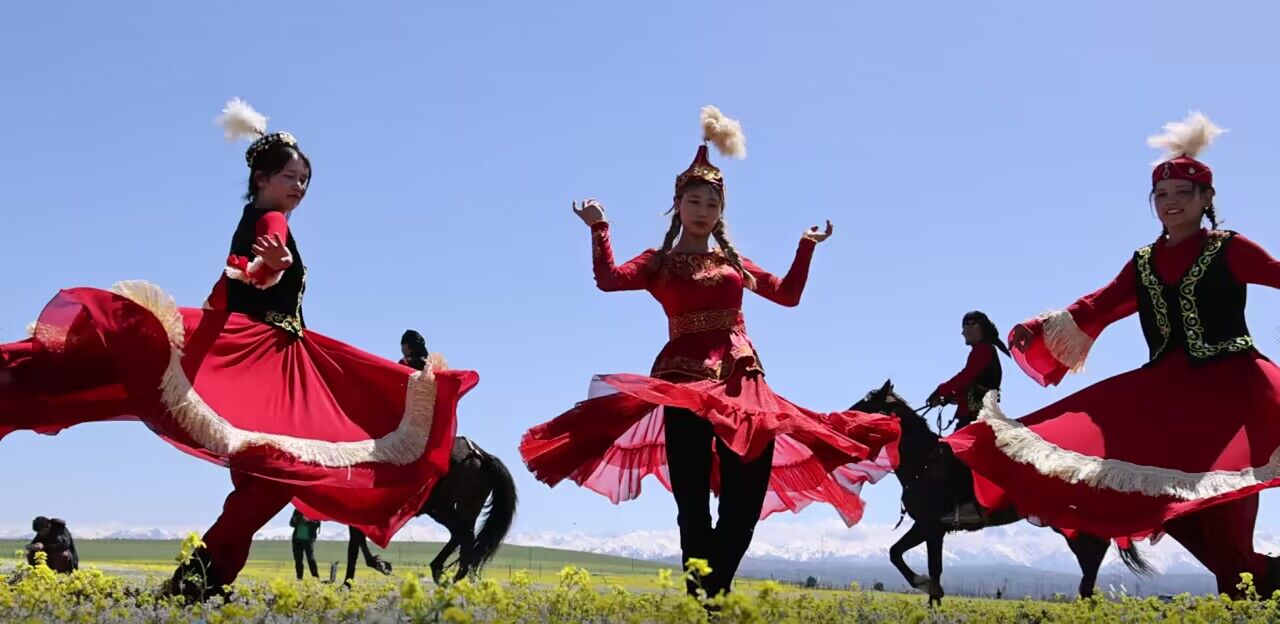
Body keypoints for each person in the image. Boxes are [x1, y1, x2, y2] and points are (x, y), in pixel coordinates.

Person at [0, 99, 478, 599]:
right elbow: (257, 268)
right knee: (278, 471)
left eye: (305, 180)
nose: (300, 187)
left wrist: (234, 299)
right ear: (261, 179)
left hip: (272, 357)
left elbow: (227, 287)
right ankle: (200, 577)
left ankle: (200, 577)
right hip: (265, 362)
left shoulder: (253, 219)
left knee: (269, 474)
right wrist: (271, 267)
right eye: (291, 177)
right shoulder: (270, 221)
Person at [520, 106, 899, 598]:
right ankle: (704, 602)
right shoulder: (659, 262)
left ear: (722, 212)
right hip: (682, 384)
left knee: (746, 497)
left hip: (744, 384)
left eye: (712, 203)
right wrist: (599, 228)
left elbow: (787, 295)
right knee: (692, 504)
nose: (702, 210)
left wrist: (806, 247)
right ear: (677, 205)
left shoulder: (733, 262)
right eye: (694, 201)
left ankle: (711, 590)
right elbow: (609, 280)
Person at [944, 112, 1280, 597]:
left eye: (1182, 193)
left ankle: (1250, 579)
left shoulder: (1229, 248)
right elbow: (1100, 304)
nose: (1169, 203)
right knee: (1162, 503)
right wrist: (1042, 328)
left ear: (1207, 198)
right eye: (1160, 195)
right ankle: (1255, 579)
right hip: (1168, 397)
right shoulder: (1144, 263)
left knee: (1226, 501)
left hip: (1234, 394)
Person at [290, 508, 321, 580]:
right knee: (298, 560)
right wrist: (297, 519)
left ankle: (315, 578)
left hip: (308, 540)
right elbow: (291, 523)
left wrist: (308, 521)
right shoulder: (297, 510)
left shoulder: (314, 510)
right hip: (297, 539)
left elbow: (317, 524)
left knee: (311, 559)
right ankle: (299, 578)